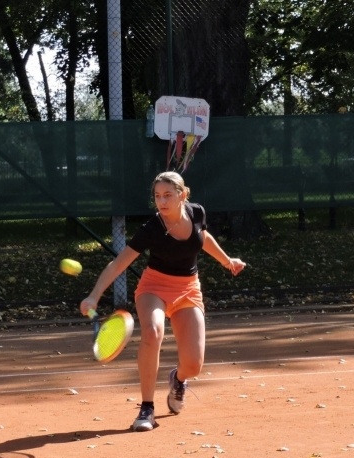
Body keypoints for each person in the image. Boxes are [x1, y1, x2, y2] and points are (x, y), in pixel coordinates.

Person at [80, 171, 246, 432]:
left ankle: (178, 379)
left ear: (183, 195)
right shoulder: (151, 229)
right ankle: (147, 408)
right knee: (152, 332)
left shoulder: (196, 212)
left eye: (168, 195)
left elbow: (203, 237)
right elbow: (118, 263)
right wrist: (94, 295)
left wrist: (227, 261)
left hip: (188, 289)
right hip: (153, 287)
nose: (162, 201)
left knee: (193, 365)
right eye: (157, 196)